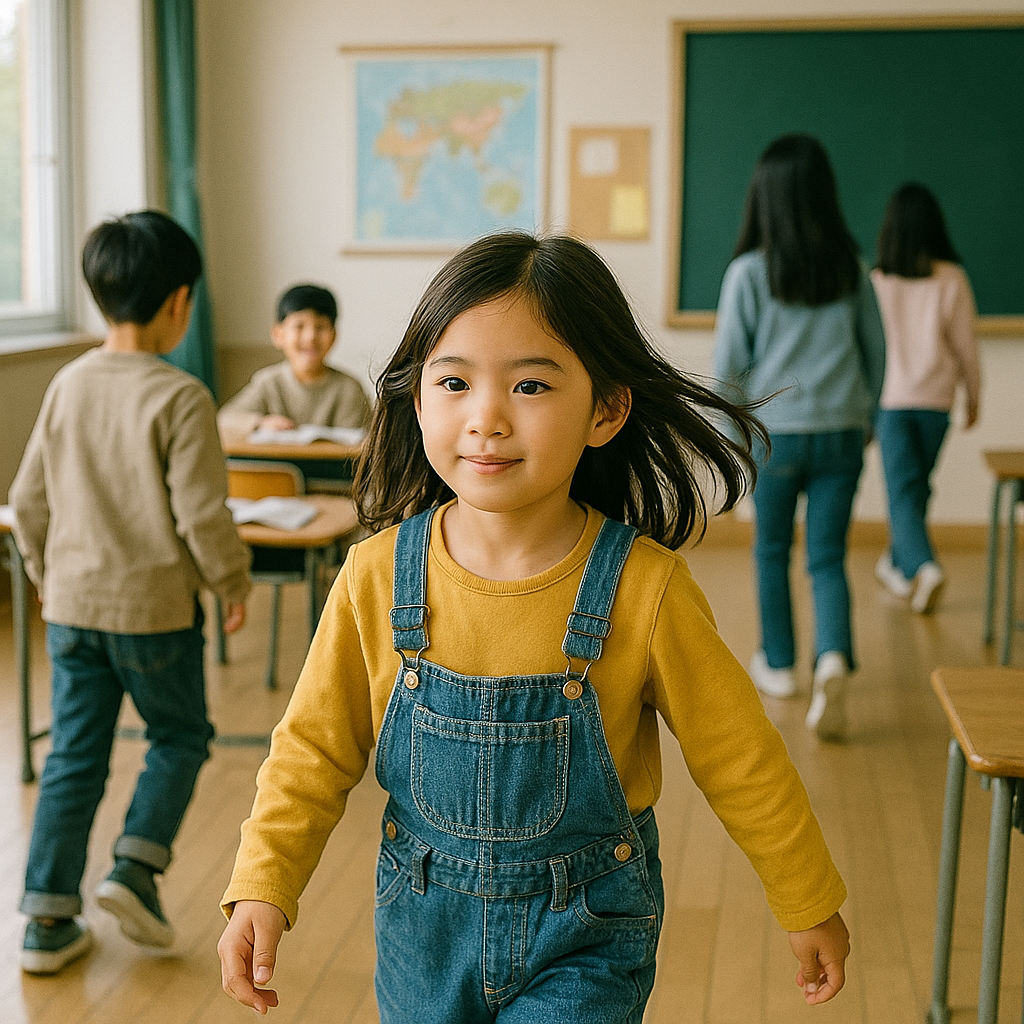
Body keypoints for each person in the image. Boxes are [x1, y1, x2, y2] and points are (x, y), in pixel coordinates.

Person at [217, 232, 850, 1021]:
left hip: (586, 936)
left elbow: (740, 755)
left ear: (607, 409)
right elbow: (310, 750)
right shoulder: (376, 575)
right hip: (423, 936)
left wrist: (806, 898)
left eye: (531, 387)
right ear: (417, 400)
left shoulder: (642, 587)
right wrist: (262, 883)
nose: (486, 419)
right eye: (453, 382)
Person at [10, 210, 252, 974]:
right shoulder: (181, 397)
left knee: (75, 755)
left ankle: (46, 923)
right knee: (178, 737)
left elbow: (28, 501)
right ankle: (135, 871)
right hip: (153, 613)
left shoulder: (66, 384)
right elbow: (200, 514)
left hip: (74, 610)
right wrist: (232, 581)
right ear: (180, 302)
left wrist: (52, 580)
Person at [713, 134, 886, 741]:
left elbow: (729, 368)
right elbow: (876, 352)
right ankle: (833, 654)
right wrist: (866, 417)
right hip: (841, 431)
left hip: (776, 437)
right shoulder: (852, 268)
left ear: (763, 198)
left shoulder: (748, 274)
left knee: (770, 552)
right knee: (828, 558)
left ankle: (781, 666)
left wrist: (730, 440)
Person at [870, 183, 980, 613]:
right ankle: (897, 565)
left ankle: (924, 565)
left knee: (903, 491)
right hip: (936, 403)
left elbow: (868, 350)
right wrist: (975, 395)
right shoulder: (952, 279)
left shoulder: (877, 282)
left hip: (892, 402)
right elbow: (966, 346)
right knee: (915, 490)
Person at [217, 283, 373, 435]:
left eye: (320, 327)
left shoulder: (349, 389)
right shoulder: (268, 382)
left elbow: (359, 443)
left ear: (334, 336)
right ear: (278, 335)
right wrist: (260, 422)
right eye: (299, 326)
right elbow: (225, 418)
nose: (310, 337)